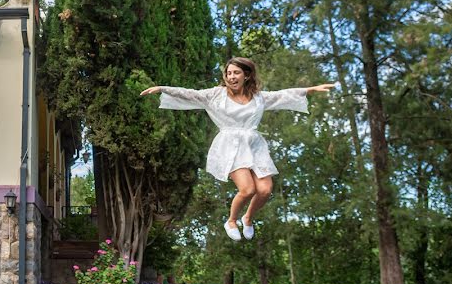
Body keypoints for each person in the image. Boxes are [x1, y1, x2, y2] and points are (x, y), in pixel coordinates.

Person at [141, 57, 335, 241]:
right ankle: (231, 220)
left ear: (246, 75)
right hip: (229, 145)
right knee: (248, 189)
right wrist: (162, 89)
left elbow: (283, 95)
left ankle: (248, 218)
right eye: (228, 73)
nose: (231, 77)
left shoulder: (258, 97)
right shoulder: (215, 94)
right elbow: (191, 94)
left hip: (254, 145)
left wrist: (312, 89)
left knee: (265, 190)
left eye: (236, 73)